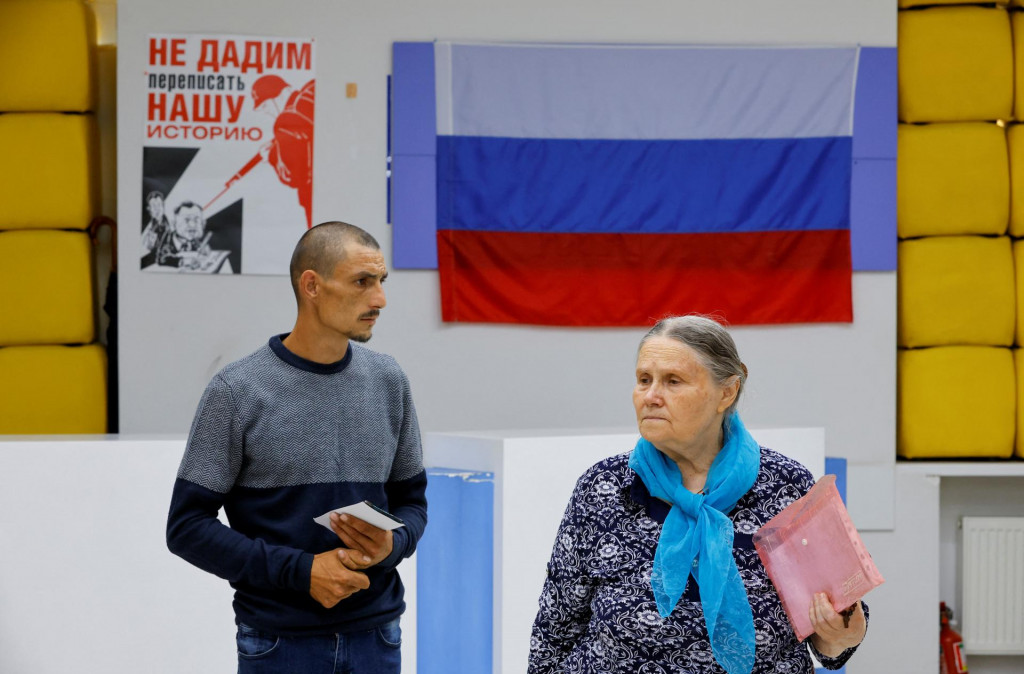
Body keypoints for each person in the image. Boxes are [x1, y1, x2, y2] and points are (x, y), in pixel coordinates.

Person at [528, 315, 868, 674]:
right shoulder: (604, 487)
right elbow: (553, 634)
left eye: (673, 381)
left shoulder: (786, 486)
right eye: (644, 380)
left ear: (727, 392)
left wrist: (842, 633)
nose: (651, 397)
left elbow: (833, 640)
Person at [167, 221, 427, 674]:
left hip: (378, 637)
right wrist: (302, 572)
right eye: (362, 282)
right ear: (312, 285)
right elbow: (187, 527)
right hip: (278, 643)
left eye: (381, 281)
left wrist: (392, 544)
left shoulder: (389, 381)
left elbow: (413, 503)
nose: (380, 299)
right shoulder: (237, 391)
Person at [252, 74, 315, 228]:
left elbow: (293, 176)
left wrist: (272, 155)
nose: (267, 112)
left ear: (282, 93)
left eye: (265, 106)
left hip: (315, 199)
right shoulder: (311, 92)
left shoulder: (285, 122)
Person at [152, 200, 233, 273]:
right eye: (186, 220)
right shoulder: (168, 239)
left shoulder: (196, 239)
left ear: (203, 223)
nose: (192, 225)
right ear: (174, 224)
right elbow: (161, 259)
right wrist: (183, 261)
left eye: (196, 220)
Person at [140, 190, 170, 267]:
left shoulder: (172, 224)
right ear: (149, 209)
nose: (157, 209)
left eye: (159, 205)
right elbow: (146, 248)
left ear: (163, 206)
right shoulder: (146, 229)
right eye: (153, 206)